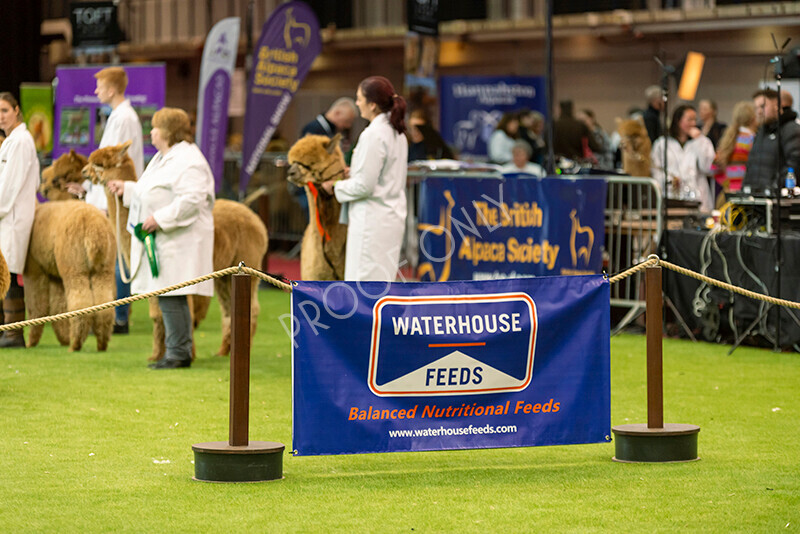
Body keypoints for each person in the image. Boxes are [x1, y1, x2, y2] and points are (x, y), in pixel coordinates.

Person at [107, 108, 214, 369]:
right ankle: (177, 350)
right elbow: (152, 190)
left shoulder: (190, 161)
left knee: (173, 295)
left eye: (155, 127)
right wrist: (128, 189)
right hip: (166, 240)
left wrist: (160, 219)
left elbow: (192, 200)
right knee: (168, 295)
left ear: (166, 131)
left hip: (178, 240)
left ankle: (178, 354)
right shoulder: (163, 158)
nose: (151, 132)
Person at [67, 67, 144, 335]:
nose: (96, 91)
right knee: (114, 255)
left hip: (117, 196)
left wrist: (97, 191)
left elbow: (113, 161)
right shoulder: (118, 117)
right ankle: (116, 313)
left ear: (111, 89)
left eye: (99, 86)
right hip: (109, 194)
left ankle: (120, 316)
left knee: (120, 255)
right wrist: (88, 187)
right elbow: (103, 163)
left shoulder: (123, 118)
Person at [320, 76, 408, 282]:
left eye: (359, 99)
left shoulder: (373, 134)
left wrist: (335, 186)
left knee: (363, 284)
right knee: (383, 284)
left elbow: (364, 186)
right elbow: (384, 174)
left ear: (372, 104)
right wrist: (356, 172)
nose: (357, 103)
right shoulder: (397, 133)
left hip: (372, 220)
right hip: (390, 216)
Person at [0, 92, 39, 348]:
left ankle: (13, 334)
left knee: (10, 273)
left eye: (4, 110)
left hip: (11, 217)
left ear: (17, 110)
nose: (1, 116)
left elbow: (8, 187)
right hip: (8, 216)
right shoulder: (12, 140)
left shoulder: (21, 141)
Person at [651, 104, 716, 212]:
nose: (693, 123)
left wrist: (700, 140)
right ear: (678, 121)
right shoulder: (662, 144)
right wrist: (669, 180)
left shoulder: (702, 141)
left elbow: (708, 167)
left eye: (695, 120)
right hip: (672, 197)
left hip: (698, 198)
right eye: (689, 120)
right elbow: (656, 169)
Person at [743, 88, 800, 193]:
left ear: (777, 106)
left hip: (778, 200)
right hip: (755, 197)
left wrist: (775, 186)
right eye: (756, 108)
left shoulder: (791, 129)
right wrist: (745, 188)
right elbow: (751, 165)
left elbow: (794, 164)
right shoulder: (761, 132)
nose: (759, 111)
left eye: (763, 106)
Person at [714, 101, 756, 200]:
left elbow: (713, 167)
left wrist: (728, 184)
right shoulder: (753, 140)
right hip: (747, 193)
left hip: (729, 194)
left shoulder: (729, 138)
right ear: (753, 118)